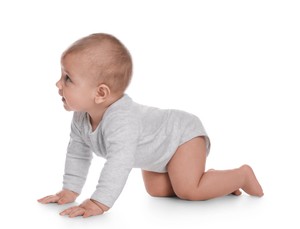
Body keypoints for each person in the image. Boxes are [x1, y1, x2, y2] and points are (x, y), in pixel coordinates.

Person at [38, 33, 263, 218]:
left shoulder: (121, 120)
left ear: (101, 93)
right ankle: (215, 181)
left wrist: (99, 202)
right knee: (157, 191)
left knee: (188, 190)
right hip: (159, 153)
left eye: (68, 78)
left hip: (181, 136)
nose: (58, 83)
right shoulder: (81, 117)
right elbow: (77, 154)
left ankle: (241, 175)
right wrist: (70, 190)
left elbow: (119, 163)